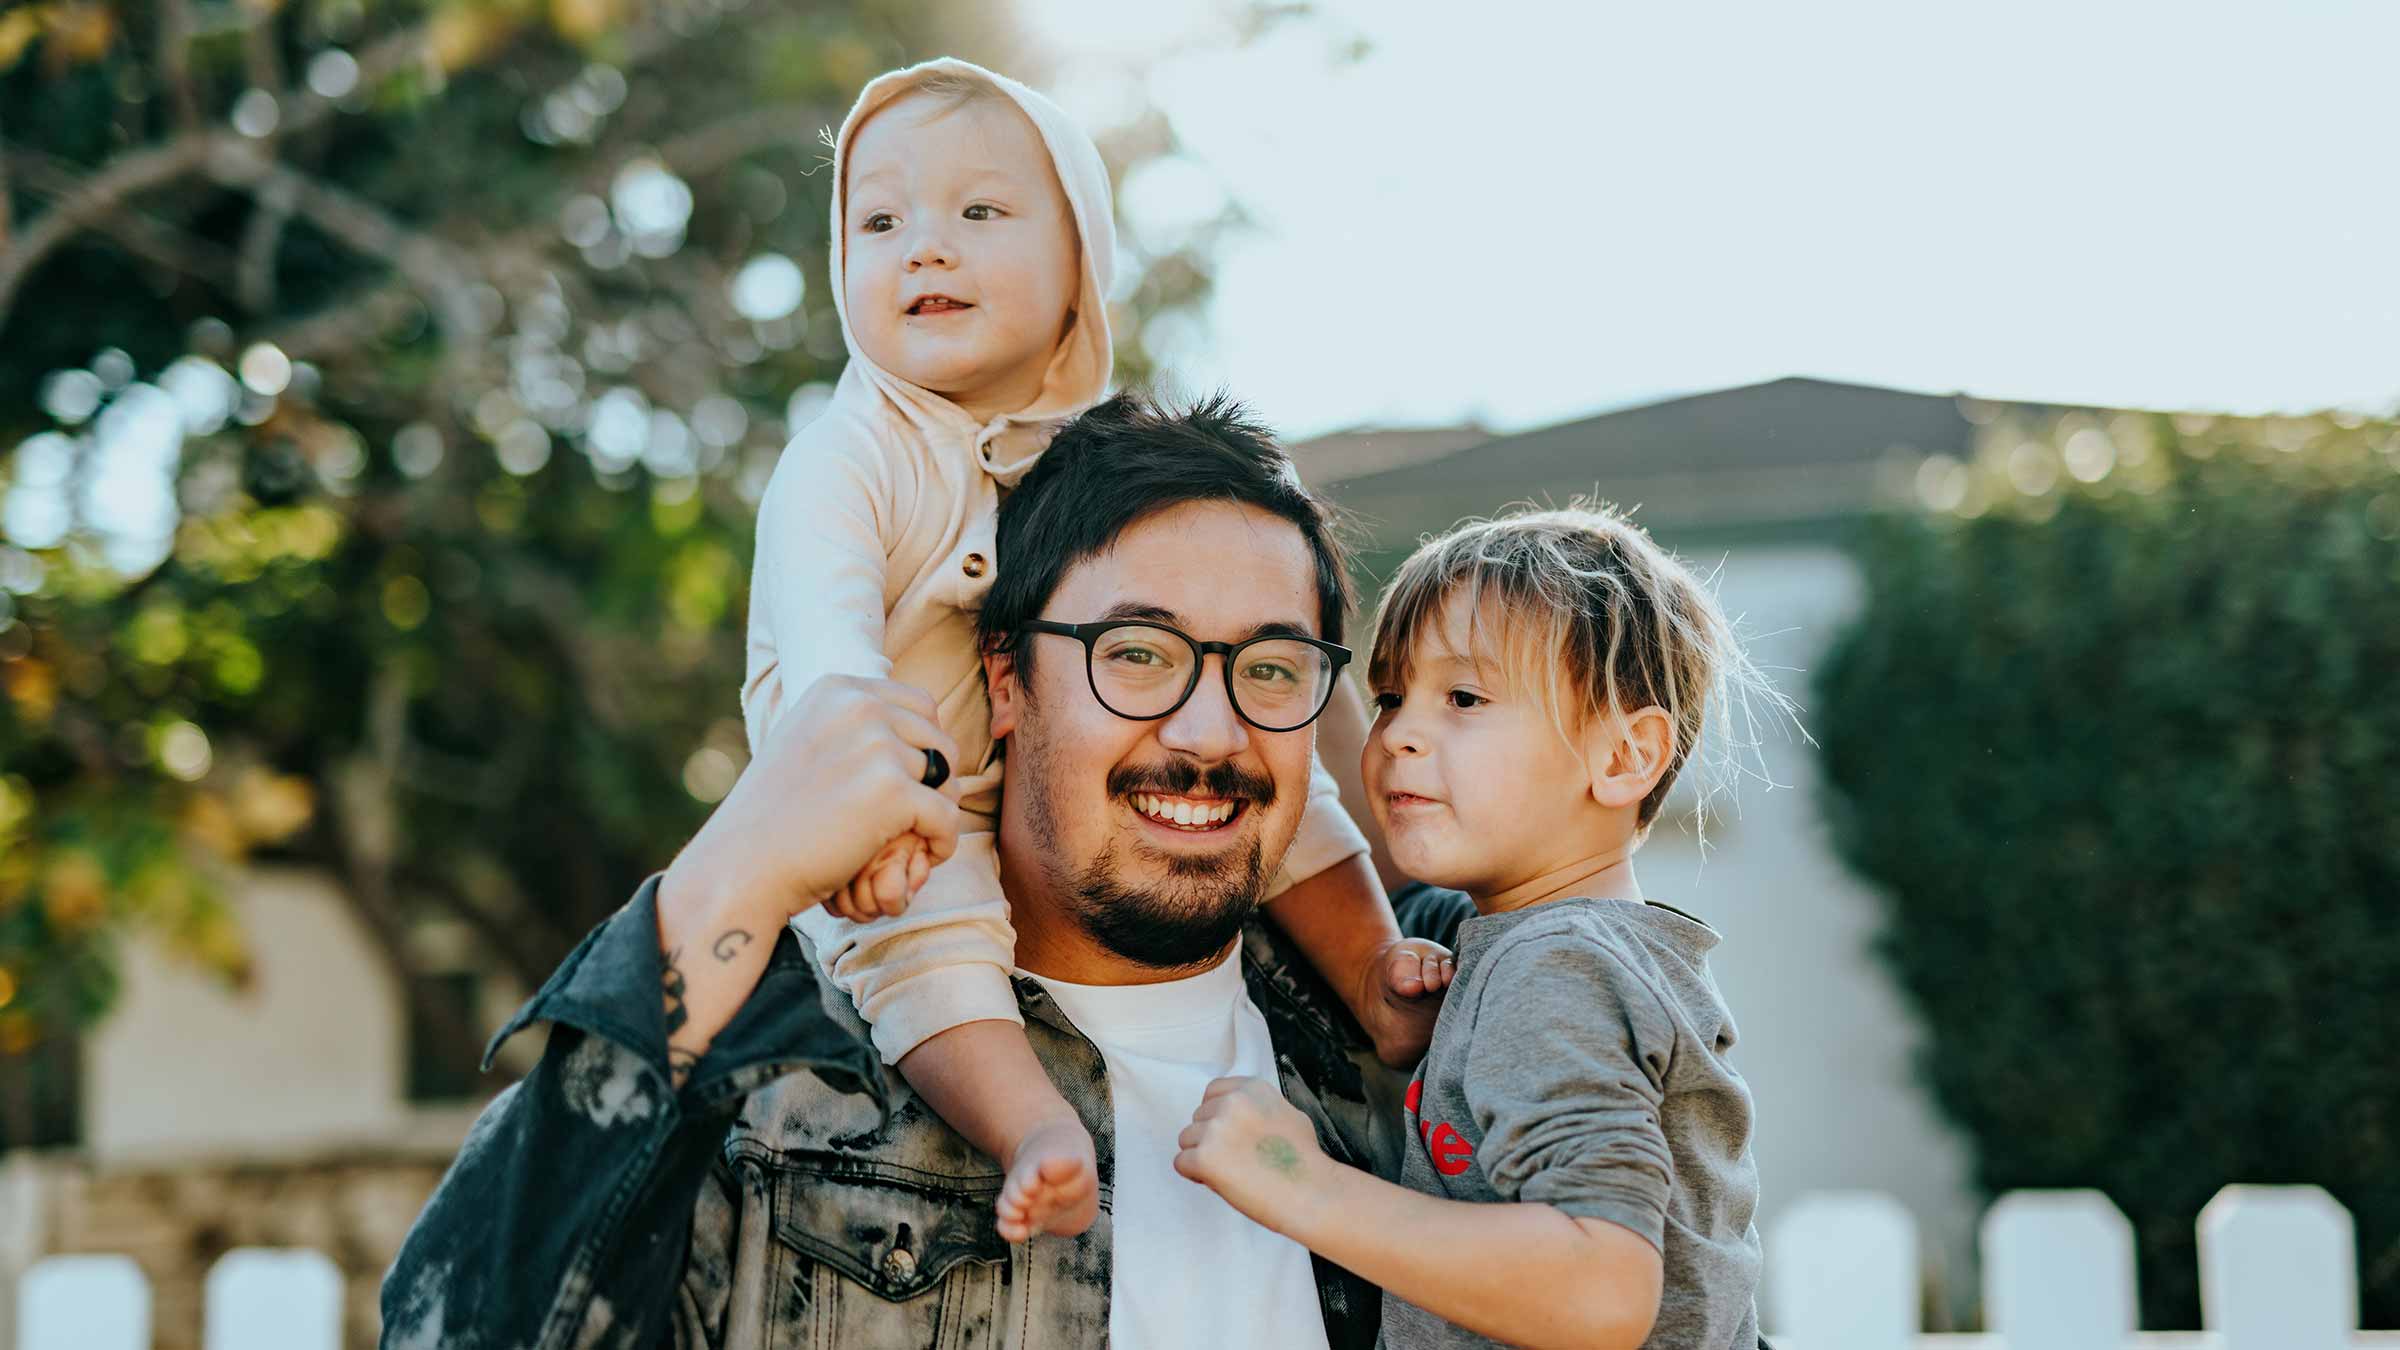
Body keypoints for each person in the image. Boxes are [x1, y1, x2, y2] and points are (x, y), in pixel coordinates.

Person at [380, 392, 1461, 1350]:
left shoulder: (1438, 1054)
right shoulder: (782, 1093)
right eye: (1136, 653)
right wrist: (736, 867)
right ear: (1005, 679)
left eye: (1271, 669)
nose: (1210, 729)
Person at [742, 57, 1449, 1244]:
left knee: (1286, 781)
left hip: (993, 786)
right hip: (892, 811)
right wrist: (870, 816)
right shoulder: (848, 456)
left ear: (1081, 265)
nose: (925, 246)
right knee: (928, 947)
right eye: (879, 221)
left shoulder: (1096, 463)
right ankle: (1032, 1126)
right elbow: (832, 664)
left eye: (978, 213)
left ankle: (1377, 978)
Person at [1175, 506, 1786, 1349]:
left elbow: (1601, 1285)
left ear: (1624, 757)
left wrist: (1299, 1185)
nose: (1399, 736)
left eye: (1464, 696)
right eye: (1390, 697)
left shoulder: (1555, 968)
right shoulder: (1548, 947)